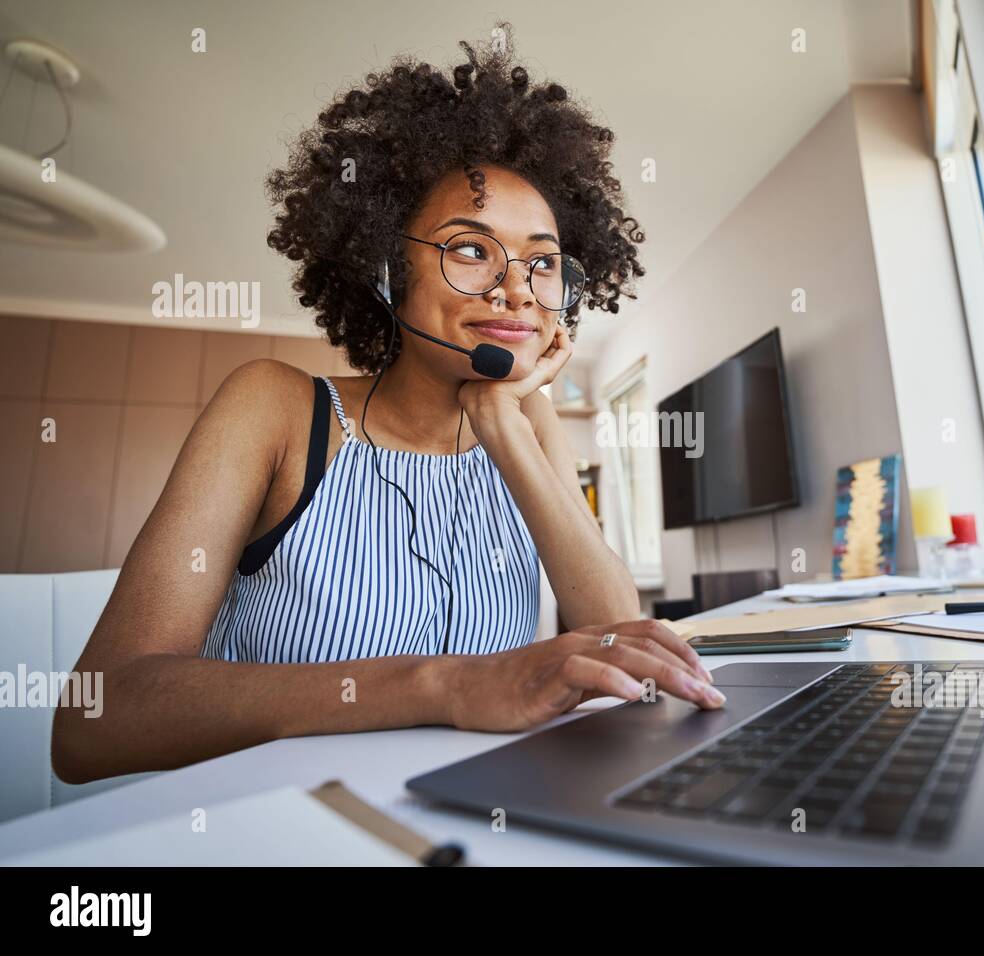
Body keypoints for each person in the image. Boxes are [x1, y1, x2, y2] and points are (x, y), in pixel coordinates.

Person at [54, 22, 723, 785]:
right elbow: (94, 718)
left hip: (473, 816)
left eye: (541, 263)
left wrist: (505, 422)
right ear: (387, 270)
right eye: (471, 248)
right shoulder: (274, 408)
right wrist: (445, 684)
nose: (515, 286)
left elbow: (611, 634)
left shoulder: (528, 424)